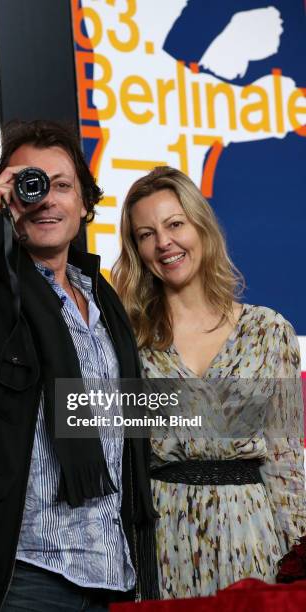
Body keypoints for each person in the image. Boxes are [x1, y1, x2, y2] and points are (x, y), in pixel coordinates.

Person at [0, 120, 158, 612]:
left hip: (110, 573)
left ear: (85, 204)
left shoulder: (104, 299)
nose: (46, 200)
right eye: (29, 184)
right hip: (18, 573)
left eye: (62, 186)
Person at [112, 165, 306, 599]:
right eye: (146, 234)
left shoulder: (267, 332)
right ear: (137, 249)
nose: (164, 243)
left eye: (175, 224)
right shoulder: (128, 340)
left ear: (200, 226)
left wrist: (299, 560)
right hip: (162, 536)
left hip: (253, 538)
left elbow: (287, 460)